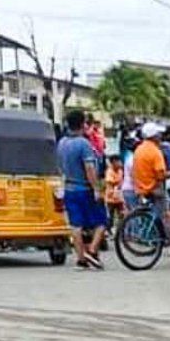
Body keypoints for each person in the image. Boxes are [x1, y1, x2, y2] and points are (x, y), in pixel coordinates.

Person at [57, 110, 107, 270]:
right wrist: (96, 189)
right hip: (84, 189)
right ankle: (92, 251)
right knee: (101, 221)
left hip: (69, 188)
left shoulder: (62, 143)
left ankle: (81, 259)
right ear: (81, 124)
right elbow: (90, 168)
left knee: (76, 225)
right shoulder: (83, 144)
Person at [132, 122, 170, 257]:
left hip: (142, 186)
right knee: (165, 216)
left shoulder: (139, 149)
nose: (160, 136)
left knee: (161, 214)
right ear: (154, 136)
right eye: (158, 134)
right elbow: (161, 176)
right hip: (155, 187)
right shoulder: (155, 152)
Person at [104, 154, 124, 230]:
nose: (120, 163)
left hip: (119, 198)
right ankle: (108, 230)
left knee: (121, 214)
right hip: (111, 198)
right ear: (113, 162)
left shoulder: (120, 171)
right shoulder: (109, 172)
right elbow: (111, 182)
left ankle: (120, 229)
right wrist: (117, 184)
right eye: (118, 162)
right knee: (110, 216)